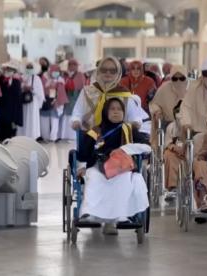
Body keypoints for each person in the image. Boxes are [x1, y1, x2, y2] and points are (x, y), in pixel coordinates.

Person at [77, 98, 149, 235]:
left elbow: (146, 146)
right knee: (93, 178)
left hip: (121, 168)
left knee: (124, 179)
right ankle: (90, 214)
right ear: (105, 112)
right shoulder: (96, 130)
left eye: (119, 109)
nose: (116, 112)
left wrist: (126, 149)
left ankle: (120, 216)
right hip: (98, 166)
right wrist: (92, 141)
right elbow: (83, 154)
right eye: (112, 109)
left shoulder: (128, 129)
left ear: (124, 112)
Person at [71, 56, 142, 132]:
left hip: (116, 138)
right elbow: (77, 112)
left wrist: (135, 123)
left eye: (112, 70)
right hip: (88, 137)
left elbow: (134, 117)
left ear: (118, 72)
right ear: (98, 71)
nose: (108, 73)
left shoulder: (124, 94)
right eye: (104, 70)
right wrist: (76, 121)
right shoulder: (87, 91)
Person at [149, 65, 188, 145]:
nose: (178, 81)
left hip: (189, 124)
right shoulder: (164, 88)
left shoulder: (193, 88)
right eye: (175, 79)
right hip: (168, 123)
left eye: (182, 78)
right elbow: (154, 103)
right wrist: (157, 111)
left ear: (186, 77)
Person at [40, 64, 68, 142]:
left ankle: (53, 137)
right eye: (54, 71)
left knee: (55, 120)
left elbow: (61, 92)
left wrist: (57, 100)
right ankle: (45, 137)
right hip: (45, 102)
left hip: (55, 103)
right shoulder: (44, 78)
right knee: (44, 120)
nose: (56, 73)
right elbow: (41, 89)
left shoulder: (60, 80)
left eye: (57, 71)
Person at [162, 101, 184, 201]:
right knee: (168, 154)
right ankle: (173, 187)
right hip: (176, 153)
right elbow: (167, 143)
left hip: (191, 152)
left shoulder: (197, 124)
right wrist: (175, 148)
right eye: (178, 112)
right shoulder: (171, 127)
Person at [0, 61, 23, 141]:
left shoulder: (16, 81)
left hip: (12, 108)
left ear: (14, 72)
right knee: (1, 124)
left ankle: (10, 141)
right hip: (2, 106)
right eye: (6, 69)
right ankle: (1, 140)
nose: (7, 71)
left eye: (10, 70)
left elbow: (17, 95)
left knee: (10, 127)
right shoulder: (0, 79)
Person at [17, 62, 45, 140]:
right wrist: (23, 88)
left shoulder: (37, 78)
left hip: (33, 102)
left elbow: (40, 92)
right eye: (28, 67)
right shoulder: (21, 77)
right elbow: (17, 89)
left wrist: (31, 89)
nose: (29, 69)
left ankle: (32, 136)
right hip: (23, 102)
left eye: (30, 67)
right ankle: (22, 136)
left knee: (32, 119)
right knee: (23, 118)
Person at [60, 59, 86, 140]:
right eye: (70, 65)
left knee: (73, 115)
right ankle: (64, 135)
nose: (72, 67)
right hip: (66, 97)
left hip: (75, 97)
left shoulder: (80, 75)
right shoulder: (65, 75)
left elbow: (81, 86)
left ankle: (72, 137)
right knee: (65, 116)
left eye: (74, 65)